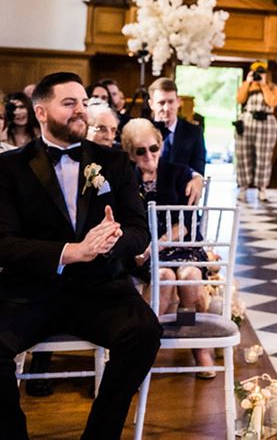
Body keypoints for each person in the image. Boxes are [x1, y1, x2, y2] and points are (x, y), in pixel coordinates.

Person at [0, 72, 161, 439]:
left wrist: (109, 243)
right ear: (41, 112)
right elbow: (3, 242)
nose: (81, 111)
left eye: (84, 103)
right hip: (31, 292)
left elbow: (139, 230)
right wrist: (72, 251)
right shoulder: (9, 168)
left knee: (145, 333)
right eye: (69, 103)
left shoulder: (115, 163)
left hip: (100, 289)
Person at [121, 119, 213, 377]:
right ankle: (143, 347)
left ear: (161, 145)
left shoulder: (179, 173)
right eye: (140, 151)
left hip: (180, 247)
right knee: (164, 277)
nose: (149, 155)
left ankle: (195, 345)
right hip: (144, 254)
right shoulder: (127, 180)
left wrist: (153, 247)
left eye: (153, 148)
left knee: (191, 276)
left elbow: (184, 224)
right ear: (130, 152)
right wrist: (142, 250)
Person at [235, 63, 277, 202]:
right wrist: (248, 83)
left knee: (264, 157)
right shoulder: (247, 86)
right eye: (255, 72)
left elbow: (272, 102)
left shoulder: (272, 87)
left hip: (266, 124)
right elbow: (239, 99)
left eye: (261, 72)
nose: (257, 75)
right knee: (243, 155)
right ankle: (243, 187)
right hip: (247, 122)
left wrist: (264, 84)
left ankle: (262, 189)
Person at [147, 77, 206, 176]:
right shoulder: (143, 131)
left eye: (171, 102)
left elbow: (198, 170)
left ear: (178, 101)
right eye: (161, 103)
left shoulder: (194, 132)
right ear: (151, 104)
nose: (166, 108)